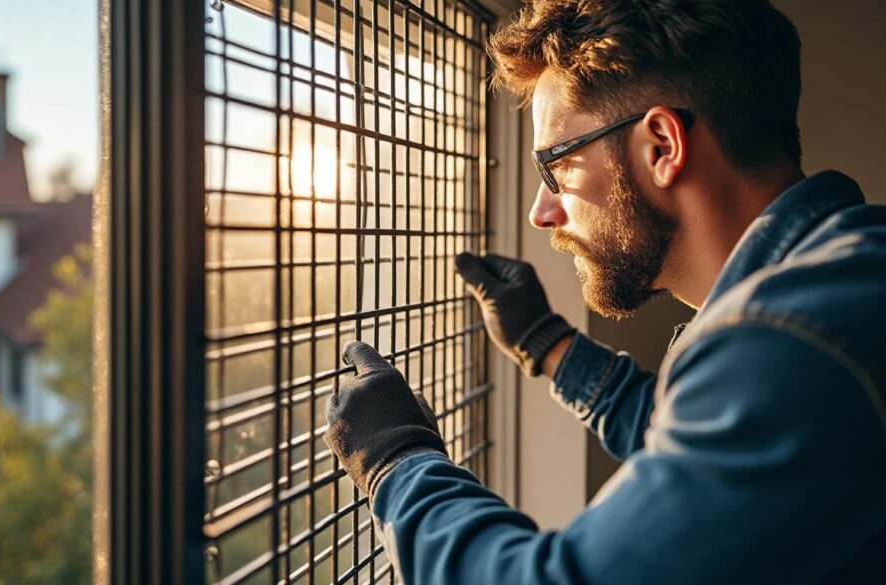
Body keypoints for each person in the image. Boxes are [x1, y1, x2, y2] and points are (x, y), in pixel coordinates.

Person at [322, 0, 886, 583]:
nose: (542, 213)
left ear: (661, 146)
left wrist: (395, 459)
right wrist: (548, 343)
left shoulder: (789, 341)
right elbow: (703, 459)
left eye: (555, 167)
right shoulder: (834, 287)